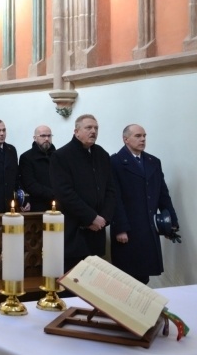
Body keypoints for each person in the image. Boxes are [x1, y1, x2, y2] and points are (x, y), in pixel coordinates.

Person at [111, 124, 179, 284]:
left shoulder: (153, 161)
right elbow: (114, 198)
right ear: (125, 139)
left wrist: (172, 222)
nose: (142, 139)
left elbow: (163, 194)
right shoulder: (115, 162)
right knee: (126, 276)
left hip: (149, 227)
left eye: (144, 136)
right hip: (128, 229)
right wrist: (120, 228)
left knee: (144, 274)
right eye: (138, 136)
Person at [50, 114, 116, 271]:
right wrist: (91, 218)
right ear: (76, 131)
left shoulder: (102, 154)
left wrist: (104, 219)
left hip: (97, 229)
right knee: (73, 283)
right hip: (74, 230)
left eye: (96, 128)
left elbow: (111, 190)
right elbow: (65, 193)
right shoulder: (61, 156)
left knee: (94, 282)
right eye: (88, 128)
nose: (93, 131)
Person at [19, 125, 56, 212]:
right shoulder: (26, 157)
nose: (46, 139)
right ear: (35, 138)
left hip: (59, 204)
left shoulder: (58, 156)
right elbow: (30, 184)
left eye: (49, 136)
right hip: (38, 205)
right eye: (43, 136)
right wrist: (54, 194)